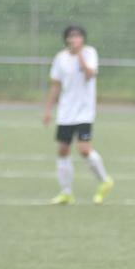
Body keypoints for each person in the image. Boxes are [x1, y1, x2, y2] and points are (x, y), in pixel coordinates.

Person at [43, 25, 113, 205]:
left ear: (83, 39)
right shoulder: (60, 58)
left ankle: (105, 181)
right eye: (71, 36)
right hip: (66, 112)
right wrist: (49, 110)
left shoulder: (90, 53)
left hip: (84, 111)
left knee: (83, 149)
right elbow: (55, 85)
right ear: (66, 39)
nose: (75, 39)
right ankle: (66, 192)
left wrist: (79, 56)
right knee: (63, 150)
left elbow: (90, 74)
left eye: (78, 36)